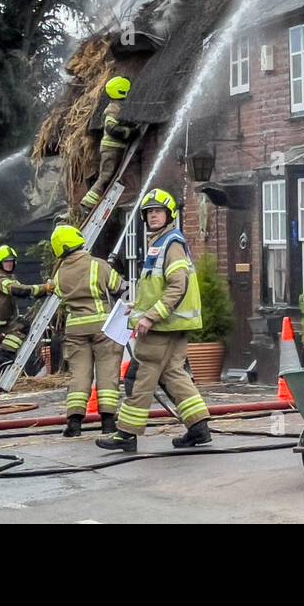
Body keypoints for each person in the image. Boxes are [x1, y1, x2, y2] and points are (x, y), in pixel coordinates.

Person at [96, 188, 211, 453]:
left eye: (158, 212)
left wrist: (149, 316)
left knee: (140, 377)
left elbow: (177, 286)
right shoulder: (162, 243)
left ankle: (125, 434)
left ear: (169, 214)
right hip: (174, 323)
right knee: (173, 373)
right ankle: (199, 427)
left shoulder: (170, 244)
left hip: (163, 325)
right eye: (149, 213)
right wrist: (139, 306)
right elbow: (160, 287)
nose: (153, 216)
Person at [50, 224, 125, 437]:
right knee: (107, 370)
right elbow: (119, 286)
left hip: (75, 330)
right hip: (103, 327)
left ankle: (74, 423)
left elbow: (59, 296)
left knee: (79, 374)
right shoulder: (98, 265)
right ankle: (108, 422)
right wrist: (111, 269)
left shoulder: (59, 273)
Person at [0, 246, 52, 371]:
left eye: (11, 261)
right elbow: (19, 290)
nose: (9, 264)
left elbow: (25, 291)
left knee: (22, 326)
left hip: (3, 323)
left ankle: (5, 355)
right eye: (6, 261)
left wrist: (44, 292)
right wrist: (45, 287)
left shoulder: (8, 278)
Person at [79, 76, 136, 223]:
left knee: (110, 176)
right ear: (121, 91)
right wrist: (128, 132)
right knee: (105, 177)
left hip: (116, 149)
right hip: (111, 149)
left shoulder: (119, 107)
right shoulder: (112, 109)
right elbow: (111, 128)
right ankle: (87, 204)